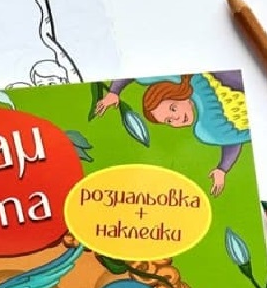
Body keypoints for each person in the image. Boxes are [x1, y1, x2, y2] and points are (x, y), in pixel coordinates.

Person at [93, 72, 250, 195]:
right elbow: (231, 140)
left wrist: (114, 91)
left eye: (173, 108)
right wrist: (222, 169)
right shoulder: (209, 130)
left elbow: (136, 74)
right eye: (168, 121)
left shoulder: (195, 81)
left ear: (179, 94)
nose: (176, 118)